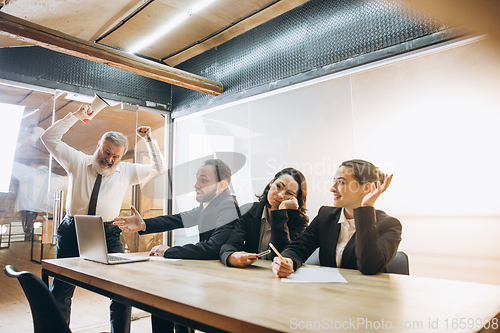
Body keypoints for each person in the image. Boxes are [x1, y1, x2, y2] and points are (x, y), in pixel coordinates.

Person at [40, 104, 166, 333]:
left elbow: (158, 168)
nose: (109, 159)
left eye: (115, 156)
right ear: (99, 145)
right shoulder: (77, 161)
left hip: (108, 233)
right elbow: (49, 138)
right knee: (62, 289)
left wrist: (149, 140)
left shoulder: (126, 171)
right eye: (106, 152)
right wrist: (77, 116)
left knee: (121, 289)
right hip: (73, 230)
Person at [113, 158, 240, 333]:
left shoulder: (227, 208)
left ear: (221, 186)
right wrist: (144, 225)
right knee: (162, 299)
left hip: (224, 284)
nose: (196, 185)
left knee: (166, 299)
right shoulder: (210, 205)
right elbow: (178, 219)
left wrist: (168, 251)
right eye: (197, 179)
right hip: (209, 274)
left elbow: (213, 247)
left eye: (203, 180)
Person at [272, 159, 401, 278]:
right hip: (330, 295)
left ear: (366, 188)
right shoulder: (325, 216)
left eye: (341, 182)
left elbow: (369, 266)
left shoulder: (390, 225)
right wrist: (287, 261)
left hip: (367, 296)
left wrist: (366, 208)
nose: (332, 189)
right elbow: (298, 248)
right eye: (334, 181)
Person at [219, 167, 308, 267]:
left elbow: (284, 255)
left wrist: (281, 212)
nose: (280, 195)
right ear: (271, 183)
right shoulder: (249, 211)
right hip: (252, 272)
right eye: (279, 186)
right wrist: (232, 257)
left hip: (280, 275)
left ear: (296, 199)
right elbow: (230, 245)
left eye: (289, 193)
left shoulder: (300, 222)